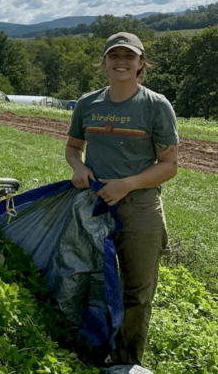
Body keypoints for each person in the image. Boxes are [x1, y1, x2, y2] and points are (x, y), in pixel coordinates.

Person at [65, 32, 179, 367]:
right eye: (113, 55)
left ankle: (126, 360)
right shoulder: (88, 104)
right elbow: (73, 147)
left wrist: (126, 185)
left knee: (137, 290)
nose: (120, 62)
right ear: (103, 62)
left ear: (142, 63)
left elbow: (170, 165)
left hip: (141, 206)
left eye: (129, 56)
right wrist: (77, 167)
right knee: (88, 279)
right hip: (95, 204)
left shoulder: (156, 106)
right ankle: (89, 347)